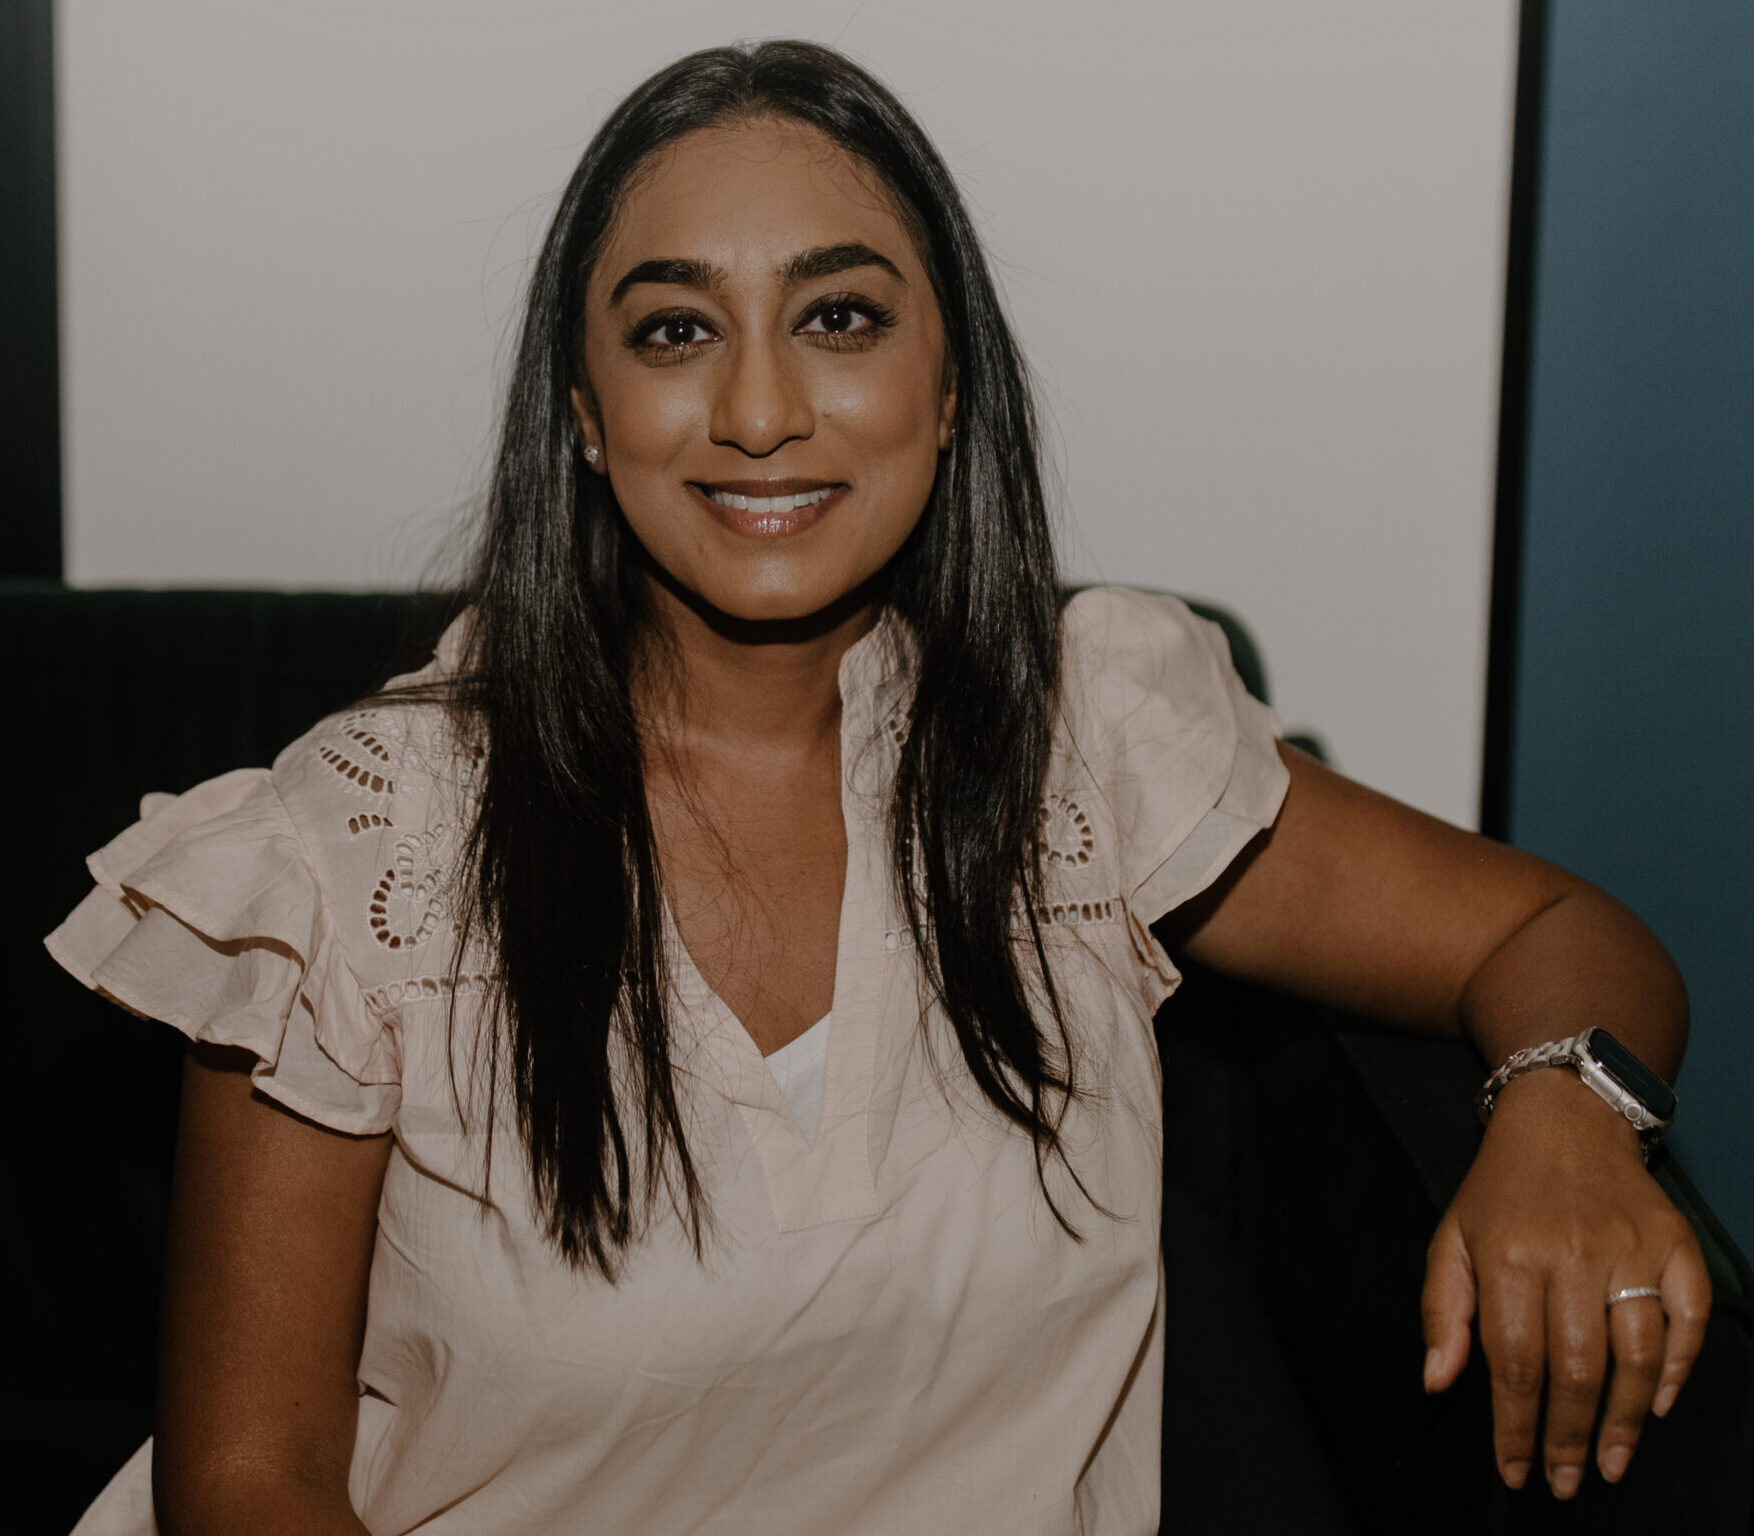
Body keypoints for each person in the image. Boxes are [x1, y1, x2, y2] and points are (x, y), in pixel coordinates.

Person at [48, 39, 1708, 1536]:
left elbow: (1554, 933)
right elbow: (244, 1486)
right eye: (676, 329)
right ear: (584, 416)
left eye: (838, 317)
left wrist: (1567, 1112)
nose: (761, 411)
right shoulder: (359, 842)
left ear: (949, 383)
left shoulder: (1087, 744)